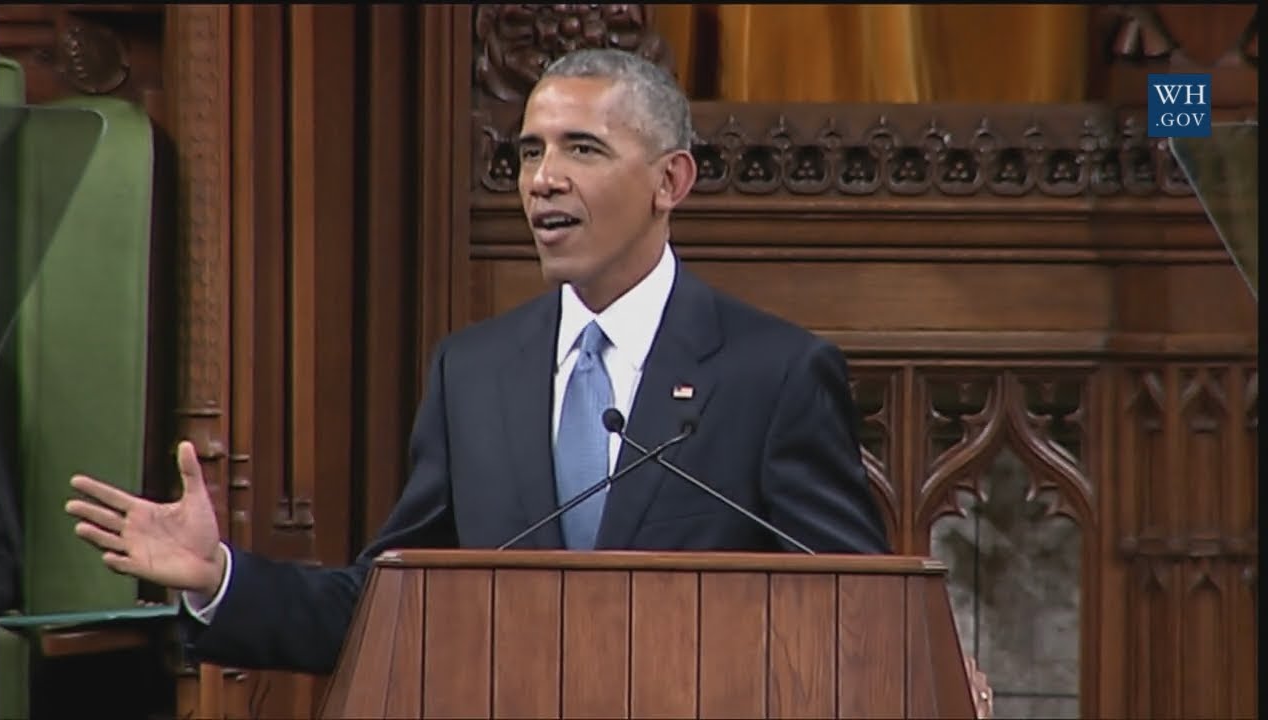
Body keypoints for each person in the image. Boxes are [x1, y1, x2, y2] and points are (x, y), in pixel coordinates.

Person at [64, 48, 889, 675]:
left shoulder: (773, 372)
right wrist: (218, 578)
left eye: (583, 151)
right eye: (529, 153)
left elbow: (860, 616)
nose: (542, 180)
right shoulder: (474, 373)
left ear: (670, 180)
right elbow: (389, 606)